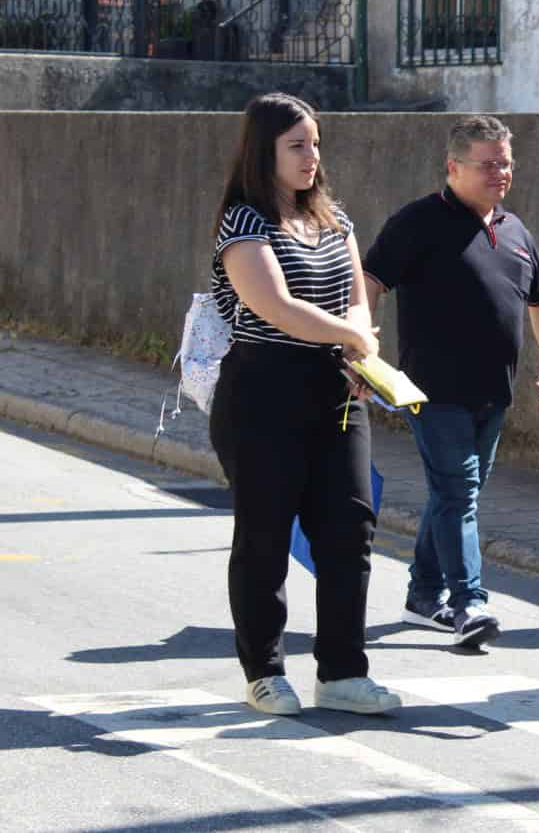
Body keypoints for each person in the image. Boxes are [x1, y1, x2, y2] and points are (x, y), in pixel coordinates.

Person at [209, 92, 400, 716]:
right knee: (264, 535)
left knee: (350, 528)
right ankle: (263, 671)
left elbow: (356, 299)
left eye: (316, 144)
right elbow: (276, 307)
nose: (311, 156)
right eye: (297, 145)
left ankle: (343, 672)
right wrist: (353, 338)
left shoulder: (335, 219)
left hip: (337, 389)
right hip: (263, 391)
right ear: (263, 152)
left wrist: (357, 349)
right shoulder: (243, 222)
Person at [363, 116, 539, 649]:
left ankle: (422, 595)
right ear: (453, 168)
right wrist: (362, 347)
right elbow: (370, 281)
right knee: (459, 492)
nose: (501, 172)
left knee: (455, 495)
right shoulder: (419, 222)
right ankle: (468, 602)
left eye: (506, 163)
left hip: (493, 392)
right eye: (489, 163)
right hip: (432, 390)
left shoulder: (516, 230)